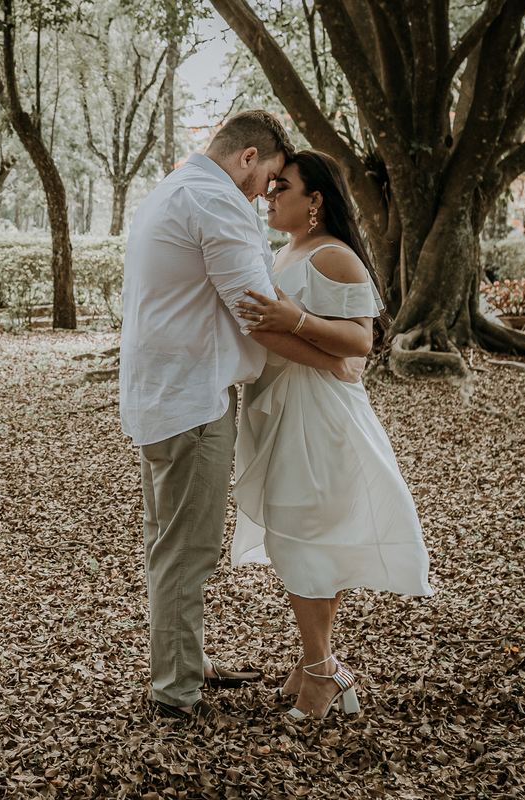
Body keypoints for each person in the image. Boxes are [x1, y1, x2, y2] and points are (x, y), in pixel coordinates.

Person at [120, 112, 368, 721]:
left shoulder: (171, 191)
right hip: (193, 402)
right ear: (249, 157)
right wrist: (331, 361)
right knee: (190, 548)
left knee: (167, 540)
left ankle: (186, 659)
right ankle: (177, 691)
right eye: (270, 178)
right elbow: (256, 315)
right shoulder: (219, 203)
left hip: (156, 395)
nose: (265, 194)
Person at [232, 149, 434, 720]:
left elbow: (360, 344)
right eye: (270, 188)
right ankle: (315, 659)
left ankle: (321, 671)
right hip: (284, 406)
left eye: (282, 188)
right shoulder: (285, 252)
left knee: (301, 535)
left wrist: (289, 320)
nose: (270, 197)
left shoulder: (336, 257)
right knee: (306, 534)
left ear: (315, 200)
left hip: (317, 416)